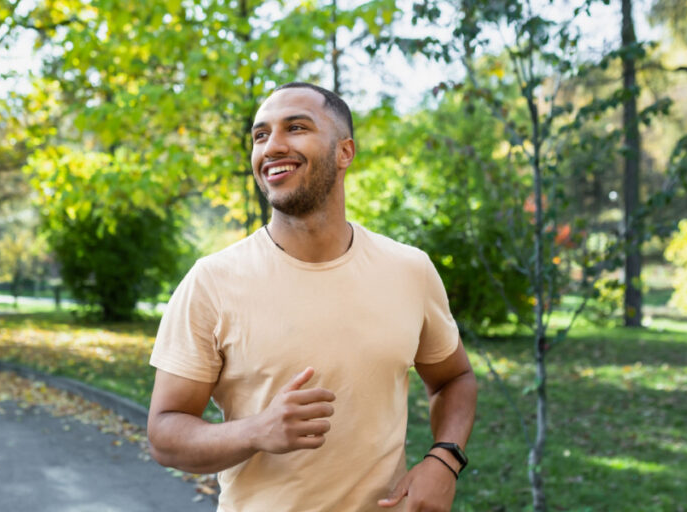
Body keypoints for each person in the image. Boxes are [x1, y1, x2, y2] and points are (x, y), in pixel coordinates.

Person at [147, 82, 477, 512]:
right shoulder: (212, 281)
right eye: (260, 135)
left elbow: (454, 378)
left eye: (296, 128)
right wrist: (256, 430)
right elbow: (165, 434)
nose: (272, 147)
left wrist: (444, 459)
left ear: (345, 152)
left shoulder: (409, 269)